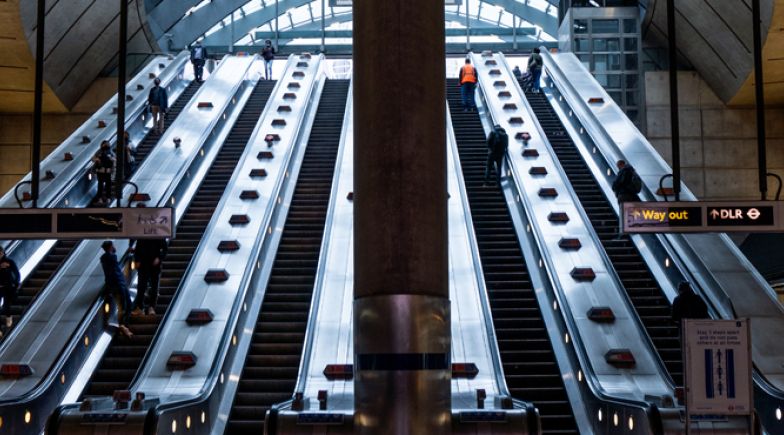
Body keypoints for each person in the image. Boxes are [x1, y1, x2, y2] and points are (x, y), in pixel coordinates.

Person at [100, 241, 133, 338]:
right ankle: (123, 326)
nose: (115, 247)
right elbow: (114, 272)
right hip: (119, 284)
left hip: (115, 285)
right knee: (124, 306)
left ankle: (125, 327)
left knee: (126, 305)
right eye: (113, 246)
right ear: (110, 247)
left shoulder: (104, 258)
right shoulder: (112, 257)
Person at [131, 238, 168, 316]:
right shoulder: (143, 234)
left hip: (154, 264)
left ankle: (151, 307)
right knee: (141, 286)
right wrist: (137, 260)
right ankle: (140, 308)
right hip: (143, 264)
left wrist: (159, 258)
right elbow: (138, 249)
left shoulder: (158, 234)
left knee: (154, 286)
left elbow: (165, 249)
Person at [611, 159, 641, 238]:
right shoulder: (633, 171)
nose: (618, 168)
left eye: (618, 166)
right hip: (633, 195)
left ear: (621, 164)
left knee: (623, 212)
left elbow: (616, 184)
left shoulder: (623, 171)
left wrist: (616, 188)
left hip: (624, 195)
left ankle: (624, 232)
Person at [0, 246, 20, 335]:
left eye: (0, 253)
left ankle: (9, 318)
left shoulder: (9, 262)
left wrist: (16, 284)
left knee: (6, 305)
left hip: (8, 287)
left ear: (3, 253)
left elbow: (16, 273)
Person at [92, 140, 115, 205]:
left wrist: (111, 159)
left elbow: (114, 159)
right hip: (100, 171)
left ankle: (108, 198)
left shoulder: (110, 152)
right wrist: (97, 160)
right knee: (100, 185)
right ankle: (100, 199)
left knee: (108, 185)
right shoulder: (99, 152)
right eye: (104, 144)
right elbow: (93, 159)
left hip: (108, 171)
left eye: (107, 144)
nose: (106, 145)